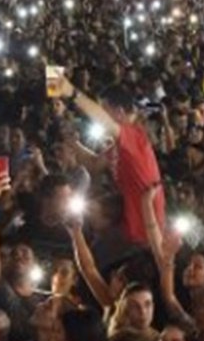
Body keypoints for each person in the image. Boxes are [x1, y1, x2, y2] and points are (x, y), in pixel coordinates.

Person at [53, 76, 166, 248]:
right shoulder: (120, 145)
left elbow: (107, 123)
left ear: (119, 112)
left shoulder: (136, 138)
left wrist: (72, 92)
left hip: (147, 235)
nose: (97, 118)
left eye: (103, 110)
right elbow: (94, 164)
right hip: (128, 229)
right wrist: (72, 142)